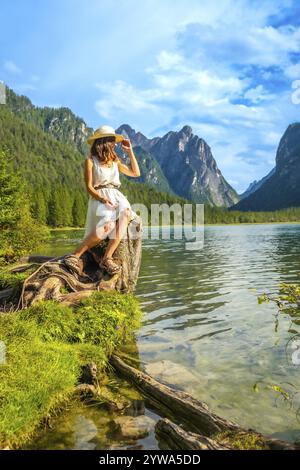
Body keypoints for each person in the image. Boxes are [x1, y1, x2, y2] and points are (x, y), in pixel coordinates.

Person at [64, 125, 140, 276]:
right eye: (112, 140)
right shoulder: (90, 161)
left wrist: (130, 152)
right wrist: (101, 198)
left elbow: (136, 173)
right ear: (104, 142)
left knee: (125, 215)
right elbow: (89, 187)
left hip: (117, 196)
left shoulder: (115, 161)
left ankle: (107, 258)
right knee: (107, 226)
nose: (115, 144)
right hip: (100, 196)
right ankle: (75, 256)